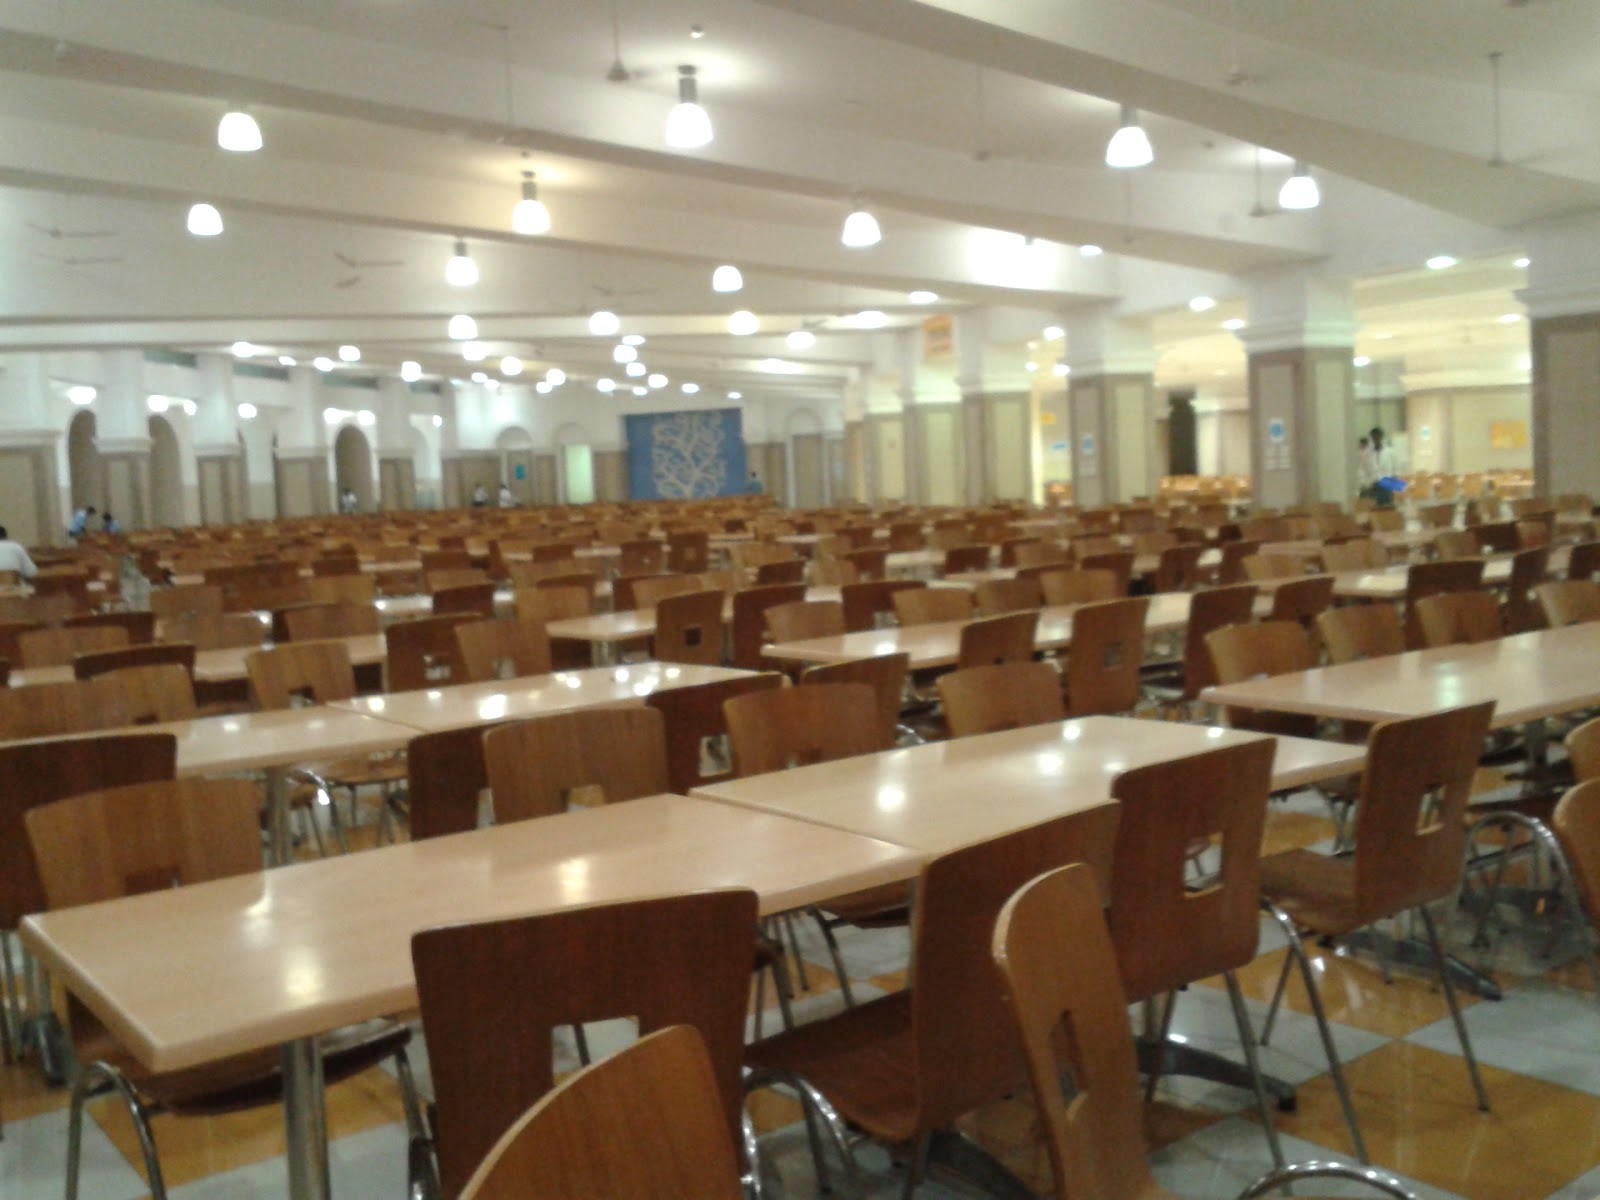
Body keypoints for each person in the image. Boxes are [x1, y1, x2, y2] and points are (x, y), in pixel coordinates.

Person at [1369, 426, 1400, 507]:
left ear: (1381, 437)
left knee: (1388, 507)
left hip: (1387, 483)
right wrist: (1370, 482)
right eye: (1373, 437)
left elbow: (1396, 469)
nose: (1376, 439)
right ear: (1371, 438)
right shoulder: (1369, 453)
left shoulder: (1390, 451)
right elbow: (1366, 470)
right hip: (1374, 484)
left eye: (1377, 437)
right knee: (1375, 508)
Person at [1356, 435, 1377, 500]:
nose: (1359, 446)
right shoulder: (1359, 453)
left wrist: (1368, 484)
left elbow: (1372, 471)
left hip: (1368, 485)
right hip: (1362, 484)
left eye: (1360, 445)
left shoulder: (1370, 456)